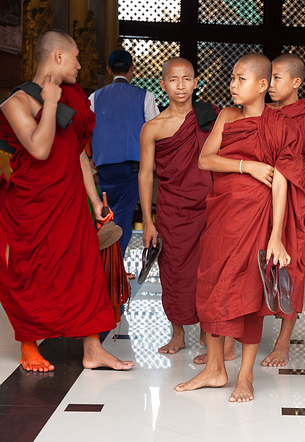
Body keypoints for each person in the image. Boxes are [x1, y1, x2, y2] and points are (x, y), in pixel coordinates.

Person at [174, 53, 305, 401]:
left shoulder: (281, 126)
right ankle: (215, 369)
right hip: (221, 218)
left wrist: (276, 237)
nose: (232, 85)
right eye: (231, 78)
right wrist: (246, 165)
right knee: (212, 288)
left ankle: (244, 376)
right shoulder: (227, 117)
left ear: (262, 85)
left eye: (240, 79)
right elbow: (206, 159)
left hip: (257, 221)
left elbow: (282, 182)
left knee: (250, 294)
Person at [0, 29, 134, 372]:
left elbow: (76, 154)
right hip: (32, 206)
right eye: (75, 56)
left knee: (84, 270)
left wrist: (96, 202)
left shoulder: (72, 96)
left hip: (71, 200)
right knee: (32, 272)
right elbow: (40, 148)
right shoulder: (15, 102)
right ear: (58, 56)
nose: (80, 64)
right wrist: (49, 102)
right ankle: (29, 344)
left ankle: (93, 349)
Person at [139, 57, 223, 354]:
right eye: (174, 80)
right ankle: (177, 333)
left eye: (187, 79)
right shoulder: (153, 127)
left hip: (209, 208)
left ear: (196, 82)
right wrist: (148, 221)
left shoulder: (210, 118)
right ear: (163, 85)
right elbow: (146, 173)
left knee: (207, 271)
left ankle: (206, 330)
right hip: (173, 212)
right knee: (173, 271)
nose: (181, 86)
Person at [261, 53, 305, 367]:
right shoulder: (263, 113)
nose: (270, 84)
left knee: (294, 267)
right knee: (255, 262)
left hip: (300, 196)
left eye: (276, 78)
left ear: (296, 82)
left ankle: (283, 341)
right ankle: (239, 334)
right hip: (265, 194)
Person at [89, 49, 159, 256]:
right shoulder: (145, 96)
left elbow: (87, 129)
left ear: (109, 70)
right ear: (132, 69)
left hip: (104, 168)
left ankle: (102, 263)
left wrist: (93, 158)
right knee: (123, 217)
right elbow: (155, 131)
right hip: (133, 168)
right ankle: (114, 265)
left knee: (106, 214)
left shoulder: (94, 97)